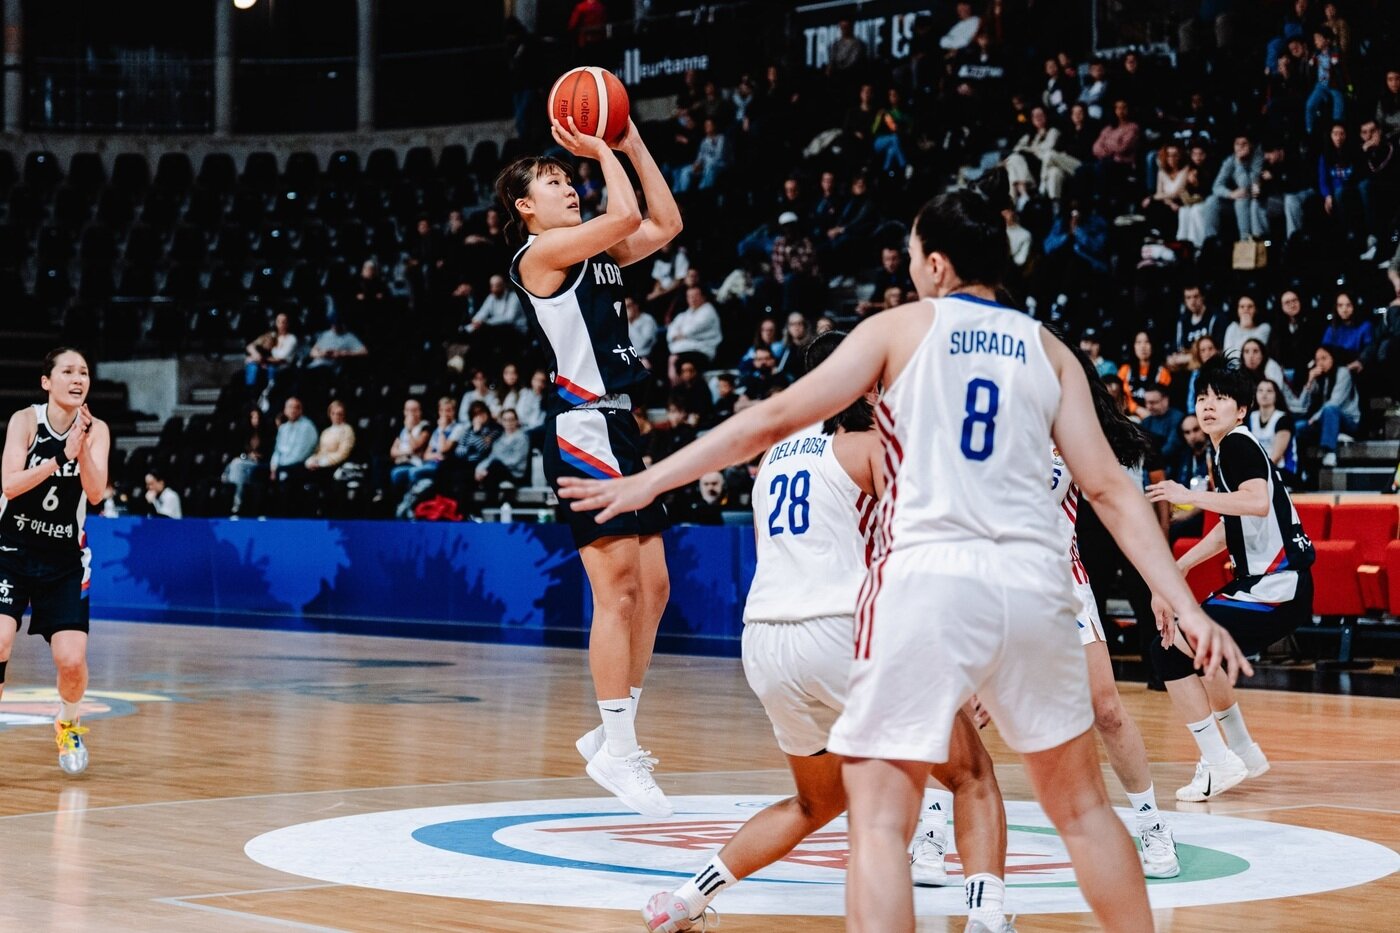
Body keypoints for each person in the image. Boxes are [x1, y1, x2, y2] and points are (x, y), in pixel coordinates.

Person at [560, 190, 1248, 933]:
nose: (914, 270)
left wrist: (647, 479)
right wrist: (1187, 605)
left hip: (928, 583)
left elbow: (773, 419)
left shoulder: (903, 328)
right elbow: (1111, 489)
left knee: (882, 823)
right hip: (1035, 586)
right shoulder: (1048, 348)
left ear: (940, 266)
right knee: (1082, 809)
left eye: (917, 256)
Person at [643, 332, 1013, 933]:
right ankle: (988, 919)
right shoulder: (868, 447)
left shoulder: (776, 457)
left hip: (764, 641)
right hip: (840, 629)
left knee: (817, 801)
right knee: (970, 775)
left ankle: (685, 900)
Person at [496, 113, 682, 817]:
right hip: (581, 428)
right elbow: (626, 209)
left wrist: (630, 143)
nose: (568, 186)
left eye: (568, 178)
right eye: (552, 181)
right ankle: (620, 746)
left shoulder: (594, 251)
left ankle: (613, 736)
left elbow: (661, 220)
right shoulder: (538, 257)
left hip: (619, 426)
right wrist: (603, 145)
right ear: (525, 207)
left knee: (656, 587)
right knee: (619, 594)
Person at [1147, 358, 1314, 800]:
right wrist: (1180, 566)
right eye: (1202, 397)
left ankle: (1219, 761)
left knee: (1170, 646)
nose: (1207, 406)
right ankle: (1242, 751)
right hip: (1274, 585)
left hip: (1276, 584)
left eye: (1220, 398)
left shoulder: (1238, 446)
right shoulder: (1227, 451)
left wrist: (1188, 496)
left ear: (1241, 409)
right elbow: (1231, 526)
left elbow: (1256, 503)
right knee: (1197, 649)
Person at [1046, 345, 1180, 878]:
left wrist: (1161, 584)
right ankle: (934, 832)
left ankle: (1151, 825)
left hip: (1063, 584)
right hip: (994, 587)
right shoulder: (978, 424)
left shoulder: (1073, 433)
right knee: (958, 710)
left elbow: (1123, 512)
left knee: (1106, 709)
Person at [0, 348, 110, 774]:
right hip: (10, 551)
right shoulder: (25, 421)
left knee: (72, 660)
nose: (77, 378)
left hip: (64, 559)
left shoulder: (96, 430)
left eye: (83, 371)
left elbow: (96, 493)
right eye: (67, 371)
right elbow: (9, 485)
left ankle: (68, 722)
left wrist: (80, 449)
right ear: (47, 382)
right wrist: (59, 456)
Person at [1297, 344, 1360, 467]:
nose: (1320, 363)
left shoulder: (1343, 373)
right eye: (1317, 360)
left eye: (1324, 358)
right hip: (1324, 421)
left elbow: (1335, 402)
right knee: (1298, 427)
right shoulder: (1319, 378)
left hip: (1348, 420)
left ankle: (1329, 451)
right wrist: (1310, 381)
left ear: (1333, 358)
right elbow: (1301, 406)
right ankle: (1301, 469)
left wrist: (1314, 418)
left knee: (1330, 409)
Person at [1249, 378, 1298, 479]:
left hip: (1282, 470)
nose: (1264, 394)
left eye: (1269, 391)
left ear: (1276, 395)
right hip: (1258, 471)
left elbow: (1276, 457)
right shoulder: (1250, 417)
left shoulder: (1283, 419)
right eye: (1260, 390)